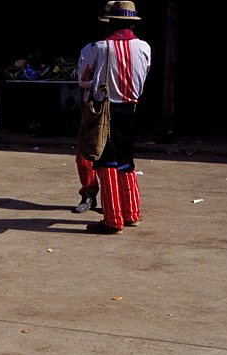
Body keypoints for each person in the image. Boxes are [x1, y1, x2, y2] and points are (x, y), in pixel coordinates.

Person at [86, 1, 151, 233]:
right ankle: (132, 213)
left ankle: (112, 220)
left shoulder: (101, 47)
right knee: (126, 160)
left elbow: (85, 77)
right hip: (130, 108)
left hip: (105, 109)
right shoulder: (144, 47)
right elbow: (142, 76)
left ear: (111, 23)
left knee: (105, 161)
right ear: (133, 22)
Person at [72, 4, 113, 214]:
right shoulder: (91, 49)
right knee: (86, 152)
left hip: (117, 106)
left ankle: (110, 199)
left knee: (111, 155)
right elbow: (83, 79)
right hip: (94, 106)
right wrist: (101, 82)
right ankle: (89, 194)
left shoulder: (130, 48)